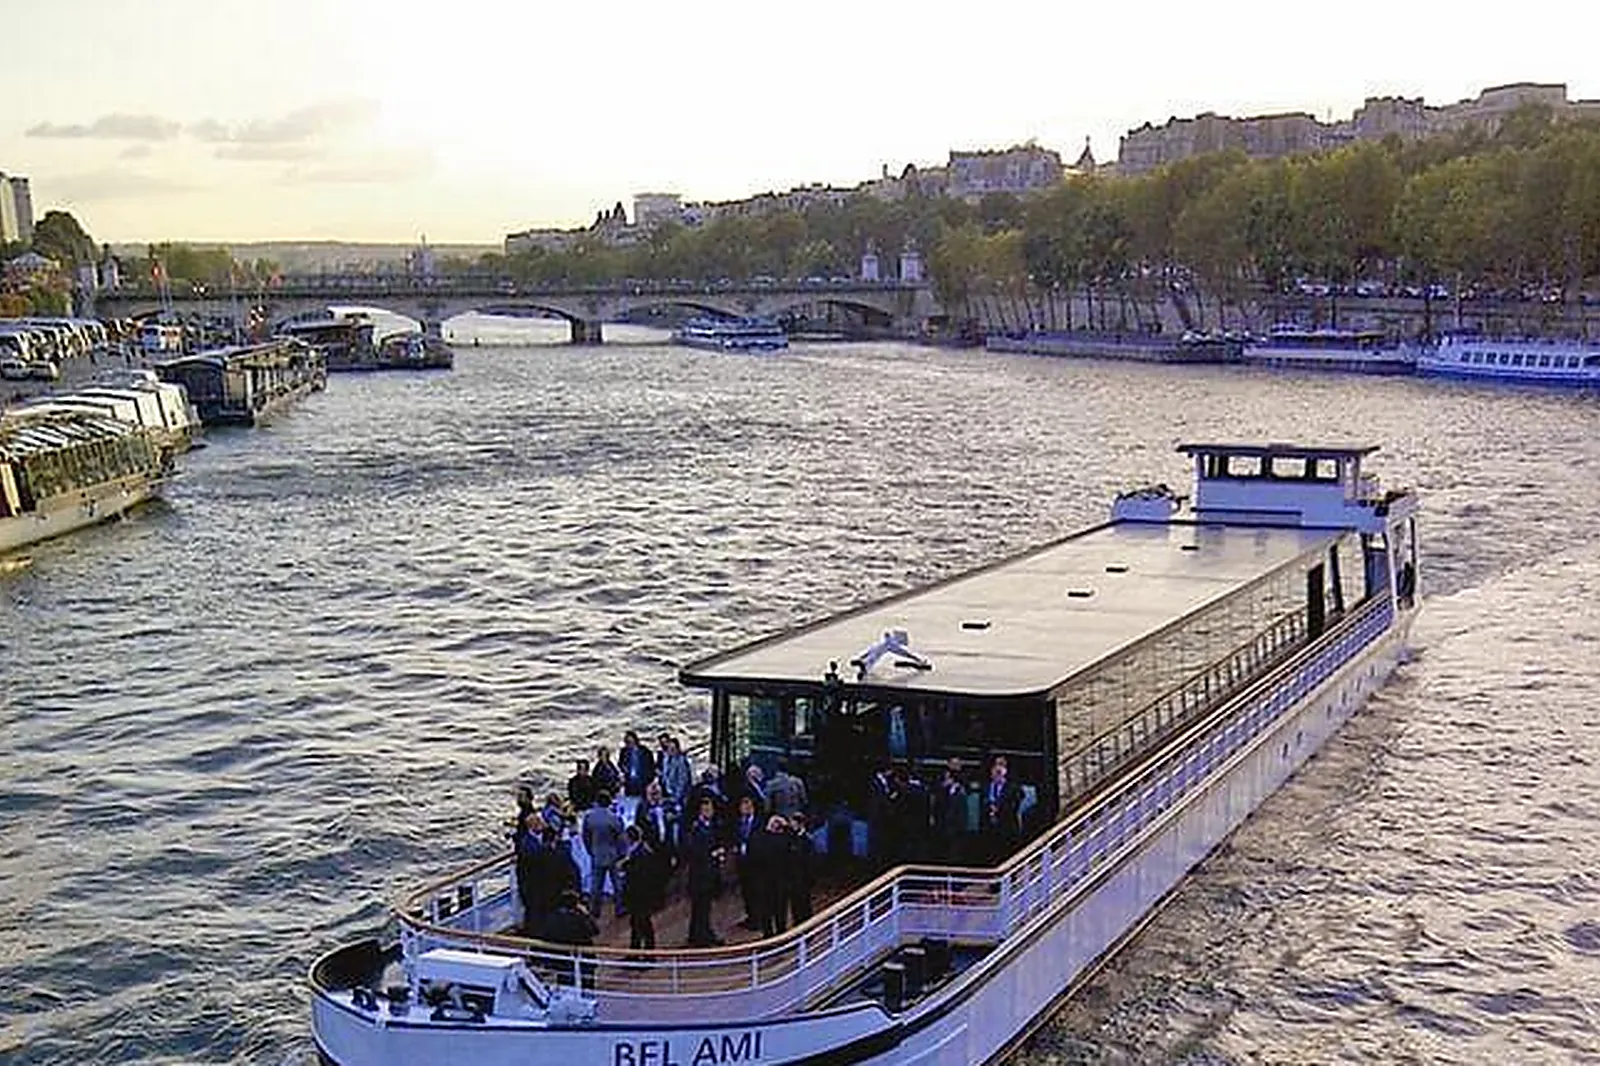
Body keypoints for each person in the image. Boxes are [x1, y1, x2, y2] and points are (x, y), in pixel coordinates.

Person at [684, 796, 725, 947]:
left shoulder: (713, 826)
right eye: (705, 809)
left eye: (710, 809)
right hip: (700, 875)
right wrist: (713, 854)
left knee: (703, 907)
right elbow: (694, 851)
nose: (709, 812)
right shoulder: (696, 829)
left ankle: (698, 934)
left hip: (709, 873)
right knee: (700, 907)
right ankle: (701, 936)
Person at [581, 790, 626, 918]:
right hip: (612, 853)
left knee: (596, 885)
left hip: (597, 853)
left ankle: (594, 910)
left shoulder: (589, 817)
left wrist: (590, 850)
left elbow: (585, 836)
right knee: (617, 883)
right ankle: (619, 908)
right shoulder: (614, 818)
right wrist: (622, 853)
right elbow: (621, 838)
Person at [618, 824, 663, 950]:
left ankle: (649, 952)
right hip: (637, 895)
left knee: (643, 923)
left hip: (641, 895)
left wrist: (625, 868)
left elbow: (639, 874)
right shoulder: (636, 851)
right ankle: (635, 949)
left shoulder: (642, 853)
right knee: (636, 923)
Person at [980, 755, 1022, 863]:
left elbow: (1014, 806)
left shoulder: (1013, 787)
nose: (998, 769)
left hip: (1007, 829)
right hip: (989, 830)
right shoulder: (986, 786)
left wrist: (998, 809)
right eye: (996, 765)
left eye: (1001, 765)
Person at [636, 779, 680, 873]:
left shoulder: (669, 805)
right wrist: (644, 844)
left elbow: (678, 825)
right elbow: (638, 827)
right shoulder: (642, 808)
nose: (654, 795)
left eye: (656, 792)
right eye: (652, 793)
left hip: (667, 851)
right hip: (650, 850)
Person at [732, 795, 763, 930]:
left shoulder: (759, 822)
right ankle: (751, 916)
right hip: (742, 861)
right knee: (746, 890)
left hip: (755, 861)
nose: (745, 808)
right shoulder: (739, 823)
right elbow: (735, 837)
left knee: (757, 890)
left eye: (748, 805)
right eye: (743, 806)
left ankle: (759, 918)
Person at [619, 730, 657, 799]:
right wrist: (624, 769)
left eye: (631, 741)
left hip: (642, 782)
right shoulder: (624, 752)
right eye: (627, 742)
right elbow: (621, 764)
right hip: (630, 782)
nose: (629, 744)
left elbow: (651, 766)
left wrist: (649, 780)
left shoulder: (645, 751)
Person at [659, 735, 692, 805]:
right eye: (669, 748)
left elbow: (682, 780)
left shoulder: (681, 761)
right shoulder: (666, 760)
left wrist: (677, 797)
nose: (671, 751)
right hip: (667, 792)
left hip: (677, 795)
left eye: (673, 749)